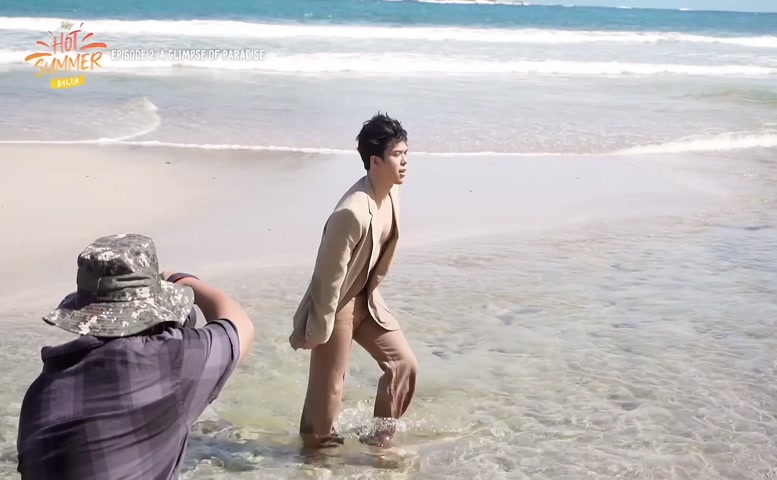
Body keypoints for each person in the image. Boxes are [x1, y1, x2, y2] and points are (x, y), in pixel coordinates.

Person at [16, 233, 255, 480]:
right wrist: (180, 279)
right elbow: (241, 326)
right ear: (152, 313)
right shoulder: (166, 360)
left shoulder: (39, 393)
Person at [289, 112, 418, 449]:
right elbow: (327, 277)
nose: (405, 161)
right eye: (397, 155)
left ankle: (380, 441)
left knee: (402, 365)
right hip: (338, 305)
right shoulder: (351, 212)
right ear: (375, 161)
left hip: (367, 298)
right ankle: (314, 457)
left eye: (406, 153)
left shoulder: (391, 192)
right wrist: (319, 329)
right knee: (329, 393)